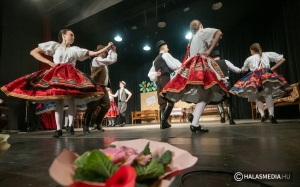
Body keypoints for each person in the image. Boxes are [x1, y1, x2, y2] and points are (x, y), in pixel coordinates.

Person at [1, 29, 113, 138]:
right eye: (71, 35)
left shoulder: (75, 49)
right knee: (59, 100)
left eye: (73, 35)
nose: (73, 37)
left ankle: (69, 126)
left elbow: (92, 53)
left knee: (71, 99)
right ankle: (59, 129)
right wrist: (49, 62)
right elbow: (33, 52)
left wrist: (107, 48)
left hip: (71, 75)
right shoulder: (55, 46)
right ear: (63, 35)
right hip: (58, 74)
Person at [161, 20, 228, 133]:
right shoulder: (201, 32)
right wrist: (209, 50)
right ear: (201, 26)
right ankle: (195, 121)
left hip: (192, 66)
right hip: (200, 65)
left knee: (208, 94)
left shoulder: (191, 40)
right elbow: (219, 33)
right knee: (207, 93)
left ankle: (194, 118)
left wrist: (211, 45)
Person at [230, 43, 291, 123]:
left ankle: (262, 115)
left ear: (252, 51)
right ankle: (271, 115)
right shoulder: (266, 54)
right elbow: (282, 59)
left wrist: (240, 70)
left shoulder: (249, 58)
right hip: (266, 75)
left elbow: (244, 70)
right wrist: (271, 68)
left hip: (254, 77)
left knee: (257, 97)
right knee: (268, 94)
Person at [83, 44, 117, 133]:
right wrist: (112, 51)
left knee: (106, 106)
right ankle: (85, 125)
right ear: (99, 52)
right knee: (92, 107)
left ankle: (97, 124)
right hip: (96, 86)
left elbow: (109, 60)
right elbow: (111, 60)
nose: (104, 53)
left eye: (105, 52)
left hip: (103, 87)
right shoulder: (96, 60)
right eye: (103, 52)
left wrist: (112, 51)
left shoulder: (104, 63)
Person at [148, 40, 181, 129]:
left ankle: (163, 123)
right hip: (165, 79)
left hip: (158, 81)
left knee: (162, 101)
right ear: (163, 47)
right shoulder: (165, 55)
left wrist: (156, 74)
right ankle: (163, 121)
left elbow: (150, 74)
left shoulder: (155, 60)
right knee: (171, 100)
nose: (168, 48)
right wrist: (182, 66)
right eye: (167, 47)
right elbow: (174, 65)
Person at [210, 50, 241, 125]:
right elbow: (234, 69)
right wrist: (241, 70)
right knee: (228, 101)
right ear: (219, 56)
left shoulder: (210, 63)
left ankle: (222, 115)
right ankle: (231, 119)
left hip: (216, 83)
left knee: (218, 100)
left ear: (212, 57)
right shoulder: (225, 61)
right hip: (226, 82)